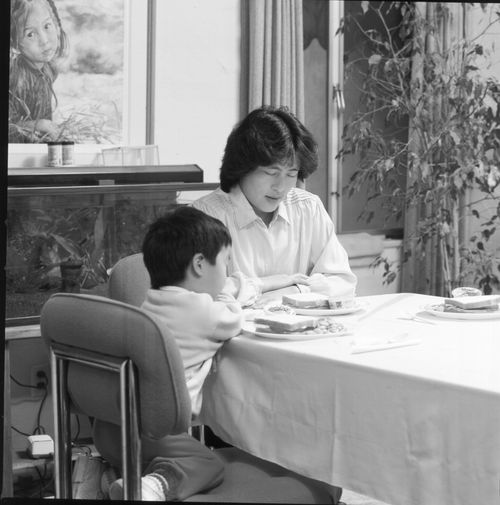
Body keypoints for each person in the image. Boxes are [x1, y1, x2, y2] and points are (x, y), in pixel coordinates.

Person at [102, 205, 243, 501]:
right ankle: (154, 487)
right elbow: (233, 317)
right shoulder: (203, 310)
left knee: (171, 453)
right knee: (208, 462)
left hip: (110, 429)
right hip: (153, 434)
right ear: (200, 264)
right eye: (226, 263)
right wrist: (229, 290)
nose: (227, 272)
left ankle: (109, 477)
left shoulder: (148, 303)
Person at [193, 105, 357, 307]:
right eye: (271, 173)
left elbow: (343, 282)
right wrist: (263, 288)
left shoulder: (308, 208)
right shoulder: (205, 217)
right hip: (233, 336)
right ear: (242, 167)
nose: (280, 187)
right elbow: (201, 296)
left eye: (291, 174)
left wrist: (295, 291)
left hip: (301, 334)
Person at [9, 0, 68, 142]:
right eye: (30, 34)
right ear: (15, 44)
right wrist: (40, 125)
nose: (44, 40)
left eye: (47, 26)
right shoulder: (16, 77)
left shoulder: (48, 70)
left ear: (56, 26)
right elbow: (9, 127)